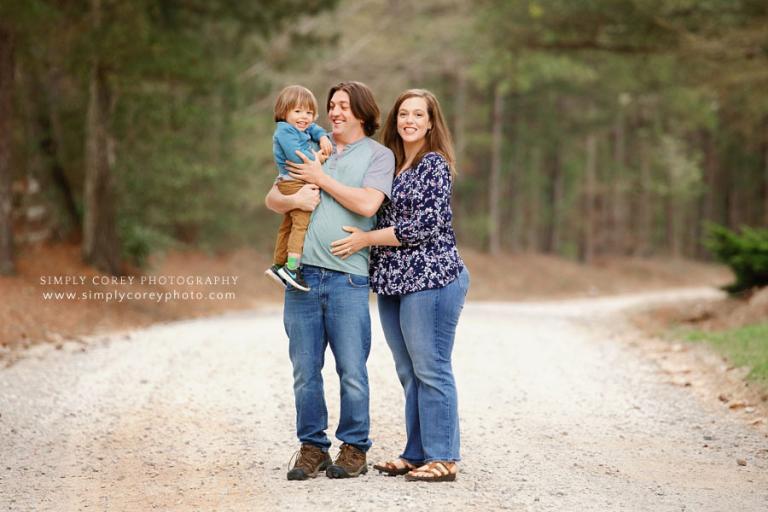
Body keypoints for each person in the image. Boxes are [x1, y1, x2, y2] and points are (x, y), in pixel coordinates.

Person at [330, 89, 469, 482]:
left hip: (433, 278)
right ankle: (416, 453)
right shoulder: (390, 163)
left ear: (430, 122)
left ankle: (444, 457)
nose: (409, 120)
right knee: (409, 371)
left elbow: (425, 227)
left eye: (418, 114)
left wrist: (365, 240)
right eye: (403, 113)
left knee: (432, 367)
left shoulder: (434, 165)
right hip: (393, 281)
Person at [265, 81, 395, 481]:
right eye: (332, 106)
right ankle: (312, 448)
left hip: (347, 279)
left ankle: (354, 448)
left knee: (352, 369)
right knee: (304, 369)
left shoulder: (378, 155)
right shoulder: (305, 144)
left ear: (362, 113)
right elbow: (273, 196)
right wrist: (293, 201)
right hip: (301, 279)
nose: (334, 112)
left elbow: (368, 204)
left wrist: (320, 179)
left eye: (343, 106)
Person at [265, 85, 333, 292]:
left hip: (291, 181)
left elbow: (313, 128)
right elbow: (298, 156)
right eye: (298, 111)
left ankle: (278, 264)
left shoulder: (299, 127)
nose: (304, 117)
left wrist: (321, 136)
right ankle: (292, 268)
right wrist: (318, 158)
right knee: (301, 225)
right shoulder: (285, 131)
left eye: (309, 112)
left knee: (288, 224)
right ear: (284, 112)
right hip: (294, 182)